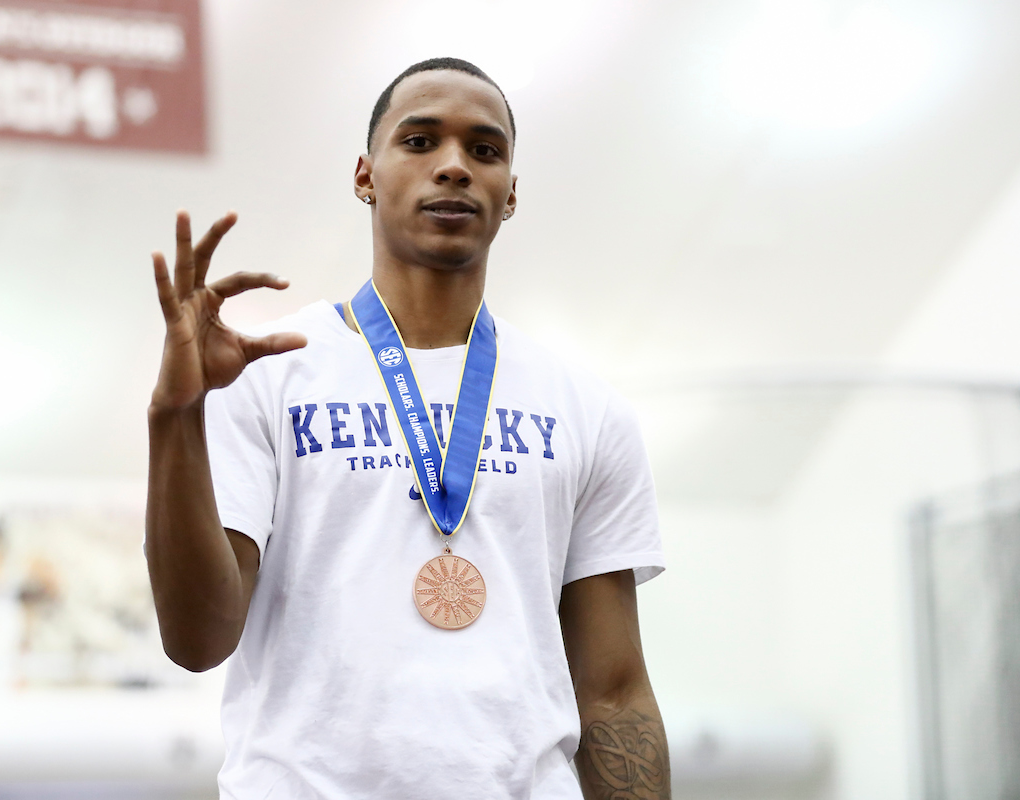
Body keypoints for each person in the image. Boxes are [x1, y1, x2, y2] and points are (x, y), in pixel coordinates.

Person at [145, 57, 669, 800]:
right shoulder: (265, 372)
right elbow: (198, 642)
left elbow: (615, 693)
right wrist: (176, 416)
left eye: (484, 150)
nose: (453, 166)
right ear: (365, 175)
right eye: (420, 142)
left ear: (510, 193)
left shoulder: (587, 408)